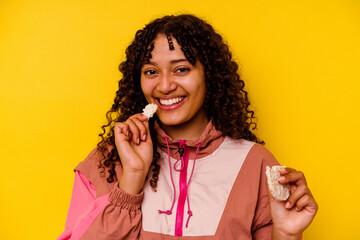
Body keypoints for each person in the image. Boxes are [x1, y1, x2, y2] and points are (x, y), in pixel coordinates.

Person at [58, 14, 318, 240]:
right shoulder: (106, 162)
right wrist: (132, 179)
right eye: (151, 72)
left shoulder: (255, 165)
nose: (165, 85)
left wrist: (286, 235)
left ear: (210, 76)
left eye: (181, 69)